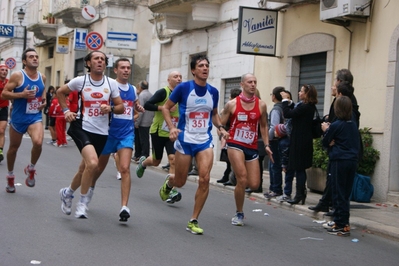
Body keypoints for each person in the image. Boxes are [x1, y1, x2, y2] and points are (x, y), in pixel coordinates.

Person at [160, 54, 228, 234]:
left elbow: (214, 114)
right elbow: (166, 108)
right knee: (181, 181)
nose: (205, 68)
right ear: (193, 70)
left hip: (204, 141)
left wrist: (220, 127)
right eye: (201, 65)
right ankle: (170, 183)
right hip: (185, 140)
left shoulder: (213, 91)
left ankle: (193, 219)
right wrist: (172, 127)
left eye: (207, 65)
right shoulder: (183, 88)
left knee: (204, 179)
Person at [58, 51, 124, 218]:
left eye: (102, 59)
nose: (100, 61)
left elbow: (121, 107)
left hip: (101, 132)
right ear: (88, 63)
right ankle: (82, 203)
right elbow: (60, 92)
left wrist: (110, 108)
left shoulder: (111, 84)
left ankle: (67, 193)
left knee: (84, 169)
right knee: (93, 164)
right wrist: (66, 111)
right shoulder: (81, 81)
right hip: (82, 126)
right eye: (96, 58)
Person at [88, 58, 143, 221]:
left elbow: (134, 106)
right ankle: (90, 188)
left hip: (126, 133)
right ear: (115, 70)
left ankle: (124, 207)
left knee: (125, 168)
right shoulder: (109, 86)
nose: (126, 70)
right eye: (123, 68)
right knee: (98, 168)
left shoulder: (133, 89)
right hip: (108, 132)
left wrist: (137, 108)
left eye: (128, 68)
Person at [220, 73, 273, 226]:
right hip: (235, 143)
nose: (253, 84)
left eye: (255, 82)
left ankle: (234, 178)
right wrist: (223, 132)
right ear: (242, 84)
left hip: (252, 145)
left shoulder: (261, 104)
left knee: (254, 184)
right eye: (249, 82)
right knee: (243, 178)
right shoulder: (232, 104)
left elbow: (263, 125)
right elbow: (221, 123)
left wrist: (267, 145)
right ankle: (239, 212)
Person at [308, 69, 359, 214]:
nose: (332, 86)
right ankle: (328, 205)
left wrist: (328, 132)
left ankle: (338, 216)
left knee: (340, 188)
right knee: (335, 183)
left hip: (341, 153)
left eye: (335, 82)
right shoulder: (344, 105)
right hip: (343, 153)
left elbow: (342, 129)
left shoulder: (346, 106)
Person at [2, 48, 46, 193]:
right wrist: (22, 95)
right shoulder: (17, 76)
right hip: (19, 118)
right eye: (31, 57)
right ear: (25, 61)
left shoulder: (42, 77)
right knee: (13, 148)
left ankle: (31, 168)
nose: (35, 59)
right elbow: (4, 94)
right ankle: (10, 175)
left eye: (36, 56)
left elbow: (42, 91)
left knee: (38, 142)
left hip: (34, 116)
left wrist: (44, 102)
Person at [136, 71, 182, 203]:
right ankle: (143, 163)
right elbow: (147, 105)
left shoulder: (182, 94)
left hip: (172, 133)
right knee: (156, 161)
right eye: (175, 77)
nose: (178, 79)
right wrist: (163, 108)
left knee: (173, 160)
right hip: (158, 131)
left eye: (180, 77)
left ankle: (170, 188)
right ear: (169, 80)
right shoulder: (163, 92)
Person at [321, 96, 360, 236]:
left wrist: (326, 130)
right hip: (352, 161)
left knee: (338, 192)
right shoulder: (352, 125)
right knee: (345, 193)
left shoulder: (337, 125)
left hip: (339, 160)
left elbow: (325, 142)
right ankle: (343, 222)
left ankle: (341, 224)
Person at [281, 84, 318, 205]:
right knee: (299, 168)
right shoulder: (306, 106)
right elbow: (295, 110)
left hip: (301, 140)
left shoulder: (306, 107)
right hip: (301, 139)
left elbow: (288, 113)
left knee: (299, 168)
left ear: (307, 94)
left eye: (301, 91)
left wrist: (285, 100)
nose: (299, 92)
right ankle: (300, 193)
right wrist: (290, 102)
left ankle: (299, 194)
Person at [217, 87, 241, 184]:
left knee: (232, 159)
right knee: (228, 159)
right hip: (227, 135)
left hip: (232, 135)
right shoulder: (228, 107)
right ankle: (227, 176)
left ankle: (231, 178)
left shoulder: (234, 108)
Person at [264, 86, 285, 199]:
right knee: (274, 164)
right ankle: (274, 188)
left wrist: (268, 139)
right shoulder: (284, 107)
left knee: (274, 165)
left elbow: (273, 126)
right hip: (280, 140)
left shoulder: (276, 109)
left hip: (275, 140)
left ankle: (275, 188)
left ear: (274, 96)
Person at [133, 81, 154, 161]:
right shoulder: (151, 94)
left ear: (140, 87)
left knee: (141, 139)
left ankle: (143, 155)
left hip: (142, 121)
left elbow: (140, 110)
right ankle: (139, 154)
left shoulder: (142, 95)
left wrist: (137, 122)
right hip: (148, 120)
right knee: (144, 138)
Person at [0, 64, 10, 163]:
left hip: (3, 109)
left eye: (6, 70)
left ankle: (0, 152)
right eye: (2, 70)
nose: (4, 72)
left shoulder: (9, 83)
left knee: (2, 130)